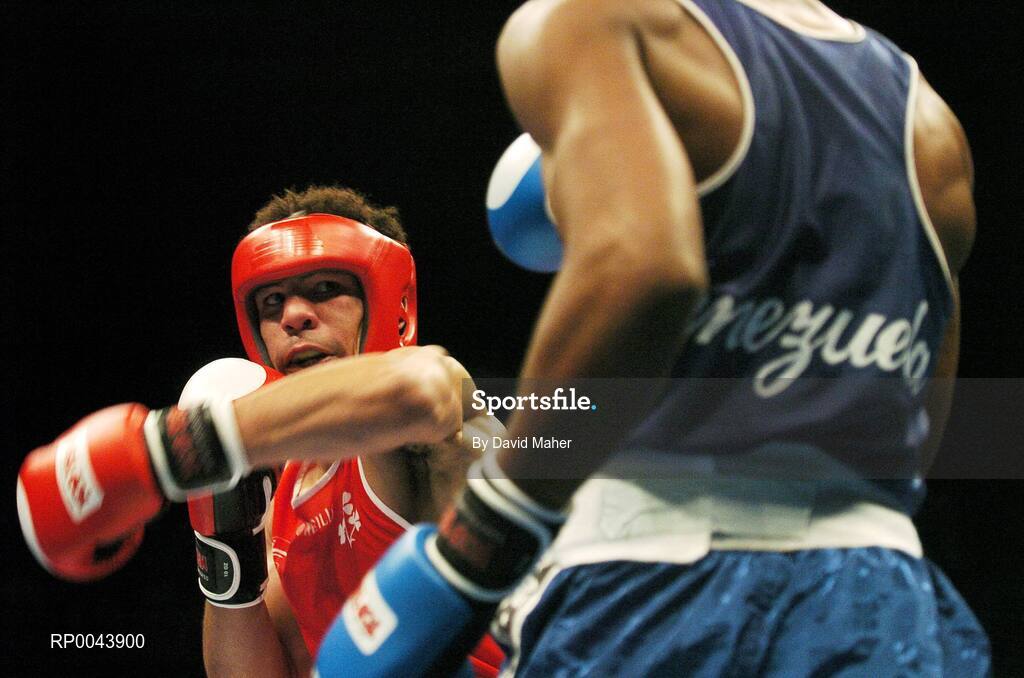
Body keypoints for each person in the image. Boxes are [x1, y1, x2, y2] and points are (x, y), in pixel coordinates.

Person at [314, 0, 990, 675]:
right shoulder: (929, 122)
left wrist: (486, 537)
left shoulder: (590, 23)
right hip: (879, 592)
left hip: (656, 581)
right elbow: (914, 426)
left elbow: (644, 273)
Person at [16, 185, 504, 677]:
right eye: (272, 301)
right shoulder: (283, 492)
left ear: (391, 308)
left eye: (324, 289)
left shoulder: (434, 419)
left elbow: (420, 389)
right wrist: (223, 539)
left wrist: (174, 449)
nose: (292, 316)